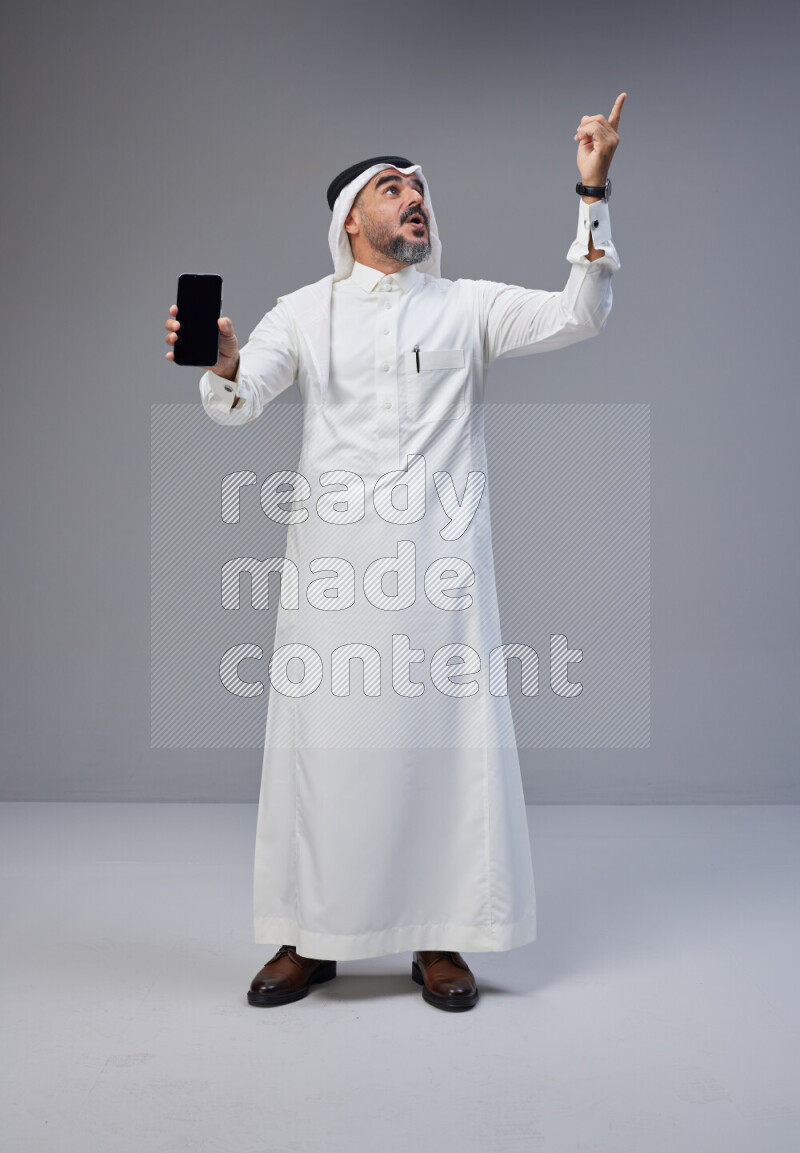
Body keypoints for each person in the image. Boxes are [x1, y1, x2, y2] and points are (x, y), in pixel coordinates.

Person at [165, 93, 626, 1012]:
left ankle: (439, 938)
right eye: (391, 188)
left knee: (442, 749)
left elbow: (583, 311)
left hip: (442, 579)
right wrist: (219, 361)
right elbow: (242, 396)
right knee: (325, 752)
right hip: (334, 575)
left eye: (418, 187)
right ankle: (311, 935)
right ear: (350, 221)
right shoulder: (306, 311)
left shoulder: (469, 307)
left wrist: (592, 189)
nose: (414, 197)